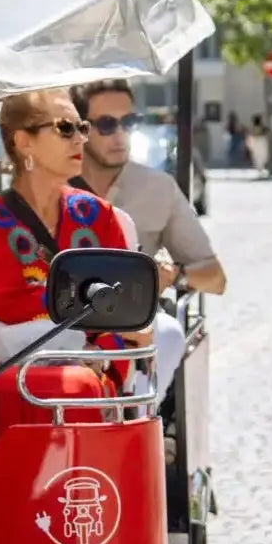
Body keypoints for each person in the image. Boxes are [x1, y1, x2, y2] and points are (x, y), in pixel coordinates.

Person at [0, 89, 157, 384]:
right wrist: (85, 332)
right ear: (23, 141)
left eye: (82, 128)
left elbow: (125, 304)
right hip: (7, 367)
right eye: (64, 128)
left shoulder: (99, 215)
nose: (80, 139)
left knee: (85, 383)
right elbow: (9, 306)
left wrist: (93, 347)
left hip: (94, 365)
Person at [68, 80, 226, 401]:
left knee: (167, 333)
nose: (120, 134)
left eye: (130, 122)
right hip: (62, 317)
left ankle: (137, 421)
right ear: (80, 130)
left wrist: (173, 275)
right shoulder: (52, 184)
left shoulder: (158, 188)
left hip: (136, 320)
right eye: (107, 124)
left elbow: (215, 278)